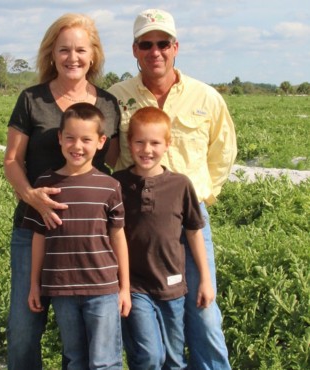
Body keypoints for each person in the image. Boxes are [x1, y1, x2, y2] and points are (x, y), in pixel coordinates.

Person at [108, 8, 237, 370]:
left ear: (175, 46)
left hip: (190, 222)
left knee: (204, 313)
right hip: (137, 224)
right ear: (134, 50)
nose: (155, 51)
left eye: (163, 43)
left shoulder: (205, 97)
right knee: (143, 311)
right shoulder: (116, 97)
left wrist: (201, 195)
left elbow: (223, 150)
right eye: (146, 44)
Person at [3, 13, 121, 370]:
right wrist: (32, 197)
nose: (73, 57)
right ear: (51, 54)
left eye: (81, 50)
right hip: (33, 229)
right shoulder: (31, 99)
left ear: (94, 55)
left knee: (88, 333)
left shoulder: (107, 104)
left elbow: (110, 163)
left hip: (88, 236)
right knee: (25, 324)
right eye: (64, 49)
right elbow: (11, 160)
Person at [22, 103, 131, 369]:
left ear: (101, 141)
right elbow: (39, 238)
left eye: (86, 139)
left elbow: (118, 237)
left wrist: (124, 287)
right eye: (70, 137)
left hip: (103, 288)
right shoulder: (45, 186)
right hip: (62, 289)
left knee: (105, 361)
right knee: (74, 358)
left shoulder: (109, 186)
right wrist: (35, 284)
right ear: (59, 138)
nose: (77, 146)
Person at [113, 107, 215, 370]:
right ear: (129, 143)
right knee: (148, 357)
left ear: (168, 145)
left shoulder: (180, 185)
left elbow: (194, 231)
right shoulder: (117, 184)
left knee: (174, 359)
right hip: (135, 286)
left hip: (173, 286)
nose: (147, 150)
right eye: (140, 142)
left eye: (155, 143)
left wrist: (204, 279)